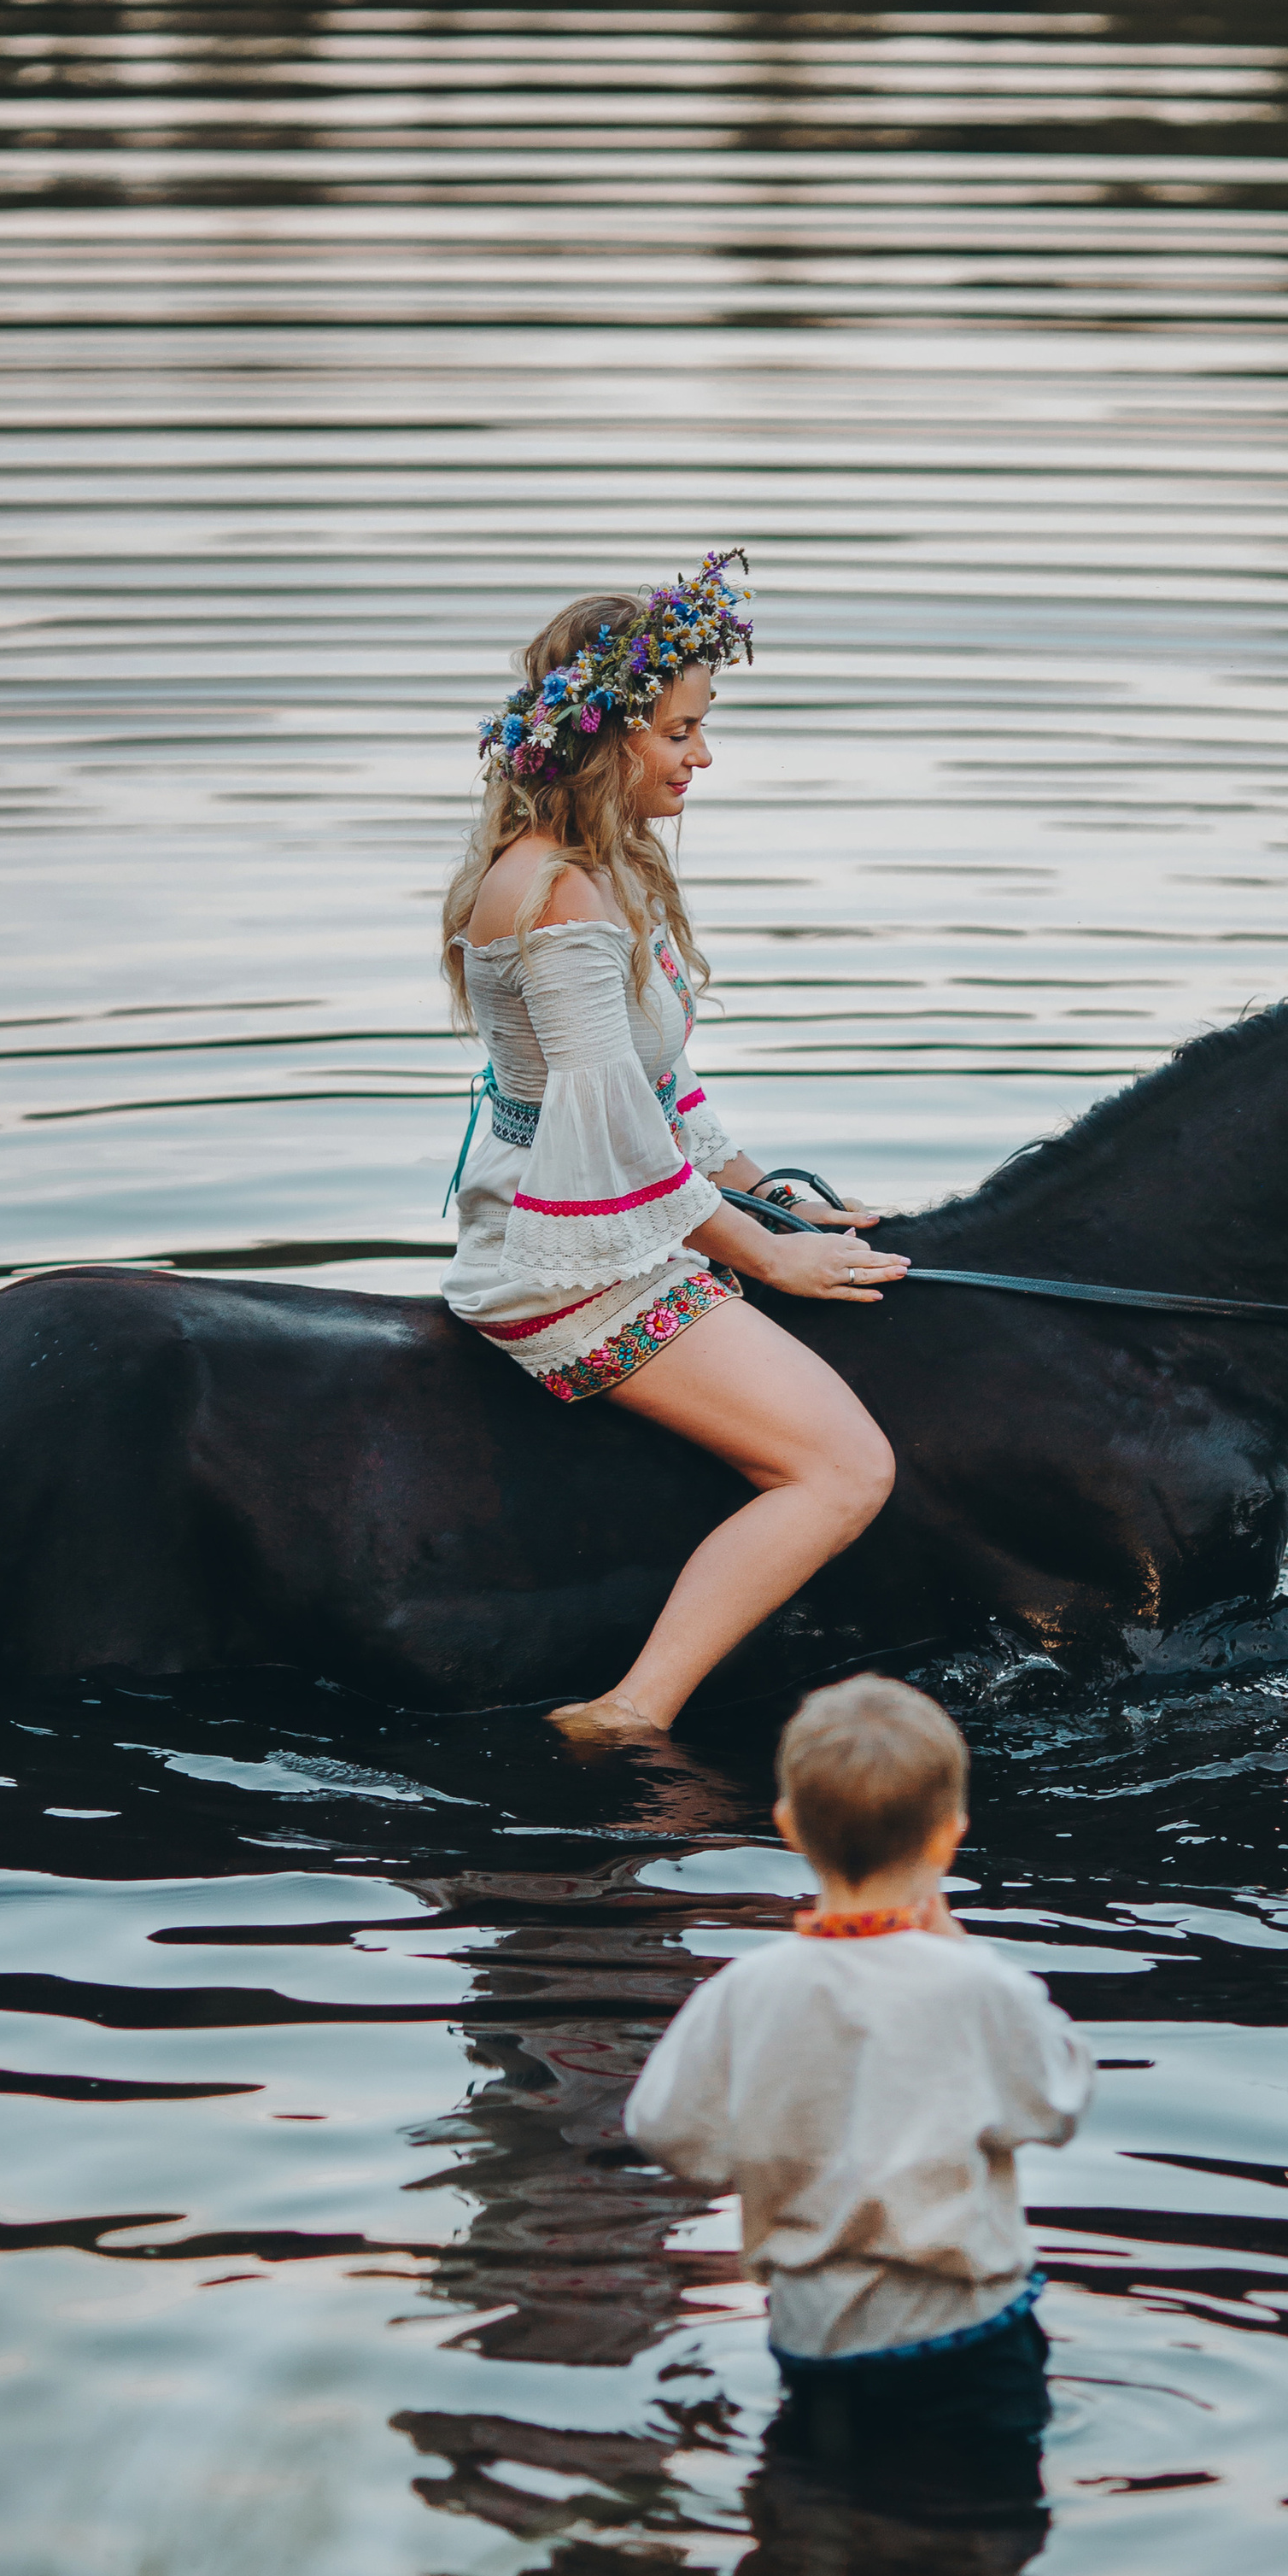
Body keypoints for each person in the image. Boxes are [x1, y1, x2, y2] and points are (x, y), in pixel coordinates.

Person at [440, 551, 908, 1740]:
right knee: (847, 1469)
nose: (704, 757)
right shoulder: (557, 894)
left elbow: (660, 1095)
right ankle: (628, 1712)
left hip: (618, 1212)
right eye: (684, 732)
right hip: (573, 1258)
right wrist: (764, 1257)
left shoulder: (602, 871)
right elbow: (613, 1133)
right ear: (609, 739)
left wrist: (775, 1199)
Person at [624, 1675, 1093, 2509]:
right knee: (982, 2547)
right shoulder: (974, 1986)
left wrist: (749, 2152)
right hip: (966, 2337)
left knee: (816, 2525)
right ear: (949, 1840)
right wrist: (962, 1947)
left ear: (789, 1828)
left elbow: (664, 2129)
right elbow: (1055, 2104)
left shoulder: (748, 1989)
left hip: (814, 2337)